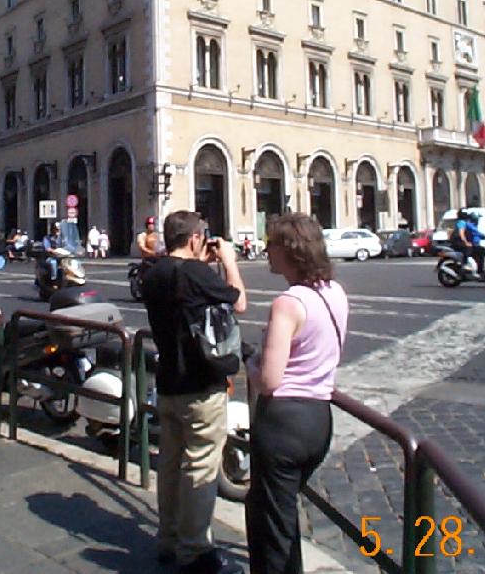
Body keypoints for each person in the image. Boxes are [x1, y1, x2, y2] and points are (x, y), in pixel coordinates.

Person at [142, 211, 247, 574]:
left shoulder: (153, 273)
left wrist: (200, 261)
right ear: (194, 239)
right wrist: (229, 262)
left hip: (168, 382)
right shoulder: (195, 274)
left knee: (169, 465)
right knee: (201, 465)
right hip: (201, 386)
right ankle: (195, 550)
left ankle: (168, 539)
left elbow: (183, 286)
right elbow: (238, 302)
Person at [245, 213, 348, 574]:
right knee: (281, 516)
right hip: (319, 420)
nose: (266, 250)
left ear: (289, 250)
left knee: (270, 527)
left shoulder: (287, 304)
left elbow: (270, 380)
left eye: (271, 243)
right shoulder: (335, 292)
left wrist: (251, 362)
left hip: (283, 425)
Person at [465, 212, 485, 277]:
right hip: (474, 244)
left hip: (477, 243)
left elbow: (481, 234)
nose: (478, 219)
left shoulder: (474, 225)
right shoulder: (469, 225)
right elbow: (479, 233)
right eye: (477, 218)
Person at [449, 209, 477, 273]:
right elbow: (461, 234)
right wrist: (466, 242)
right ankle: (465, 264)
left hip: (455, 240)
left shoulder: (460, 221)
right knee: (469, 247)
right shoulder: (462, 222)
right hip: (457, 241)